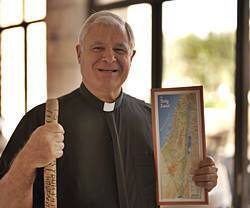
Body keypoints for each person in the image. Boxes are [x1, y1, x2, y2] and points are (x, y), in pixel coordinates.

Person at [0, 11, 218, 208]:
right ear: (79, 53)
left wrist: (200, 177)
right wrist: (27, 159)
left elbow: (177, 191)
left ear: (131, 56)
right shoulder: (41, 119)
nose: (109, 57)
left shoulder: (156, 120)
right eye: (98, 48)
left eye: (119, 49)